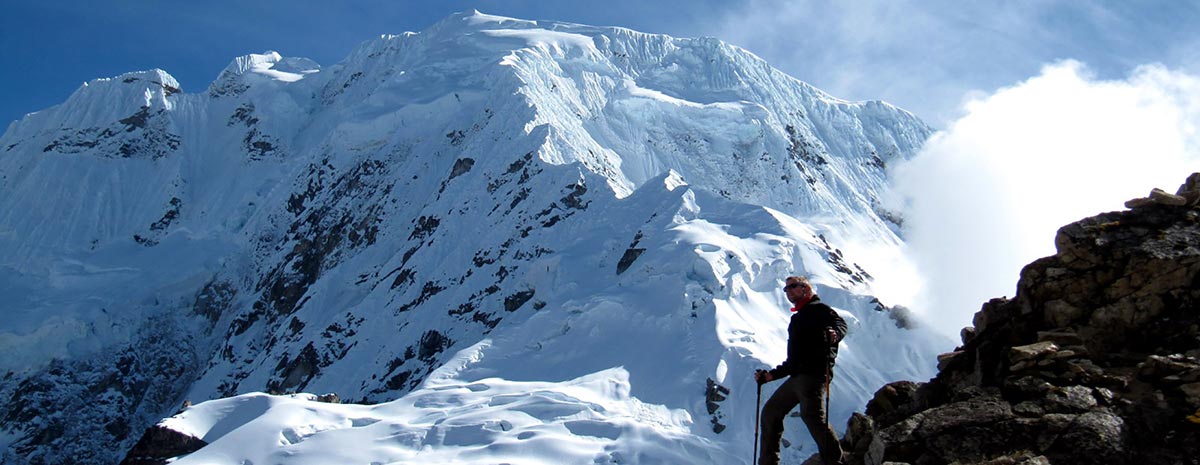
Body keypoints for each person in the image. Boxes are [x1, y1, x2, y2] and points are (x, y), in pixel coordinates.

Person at [754, 276, 848, 465]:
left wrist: (835, 334)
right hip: (798, 376)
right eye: (786, 289)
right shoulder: (798, 318)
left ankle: (834, 461)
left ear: (806, 289)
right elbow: (793, 360)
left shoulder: (819, 309)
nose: (788, 291)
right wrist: (771, 375)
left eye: (793, 286)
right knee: (771, 412)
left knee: (812, 416)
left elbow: (840, 325)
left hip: (814, 375)